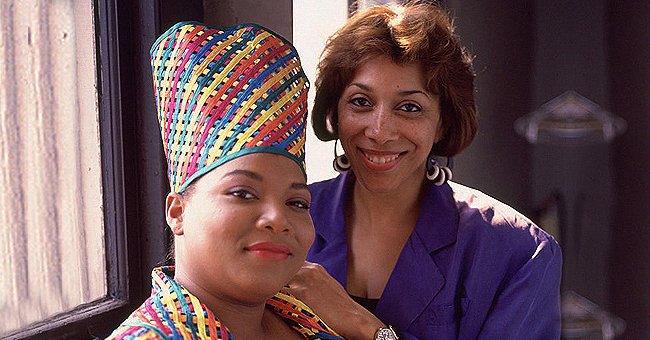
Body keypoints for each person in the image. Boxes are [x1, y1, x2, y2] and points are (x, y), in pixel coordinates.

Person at [285, 2, 562, 340]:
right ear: (335, 111)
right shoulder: (283, 220)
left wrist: (365, 327)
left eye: (409, 107)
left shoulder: (518, 253)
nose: (379, 131)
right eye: (361, 102)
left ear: (443, 123)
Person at [107, 21, 342, 339]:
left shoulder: (301, 314)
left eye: (297, 202)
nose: (278, 218)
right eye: (243, 194)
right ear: (177, 212)